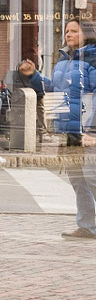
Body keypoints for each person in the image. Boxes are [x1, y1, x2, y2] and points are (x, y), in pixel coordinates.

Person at [51, 19, 96, 239]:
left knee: (92, 177)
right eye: (67, 31)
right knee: (78, 180)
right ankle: (87, 225)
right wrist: (31, 77)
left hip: (88, 132)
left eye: (74, 31)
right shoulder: (62, 60)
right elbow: (55, 93)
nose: (68, 34)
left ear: (86, 34)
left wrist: (93, 130)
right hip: (69, 131)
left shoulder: (93, 58)